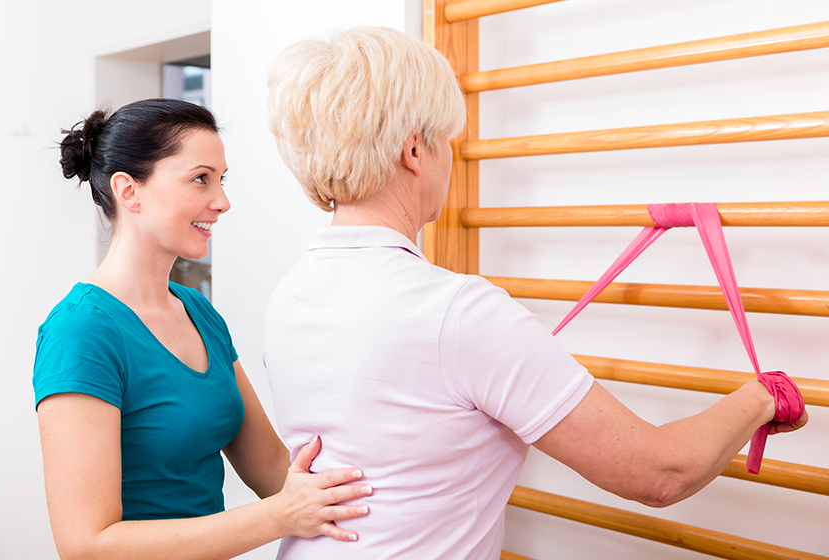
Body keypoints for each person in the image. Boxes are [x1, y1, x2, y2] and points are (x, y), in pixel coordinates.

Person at [262, 26, 808, 560]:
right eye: (445, 140)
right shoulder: (454, 312)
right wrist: (763, 397)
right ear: (413, 151)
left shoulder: (292, 294)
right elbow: (658, 473)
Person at [33, 98, 372, 560]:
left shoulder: (197, 310)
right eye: (201, 179)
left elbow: (272, 466)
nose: (223, 201)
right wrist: (279, 517)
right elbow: (87, 545)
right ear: (129, 192)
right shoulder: (81, 331)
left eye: (221, 179)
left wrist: (364, 499)